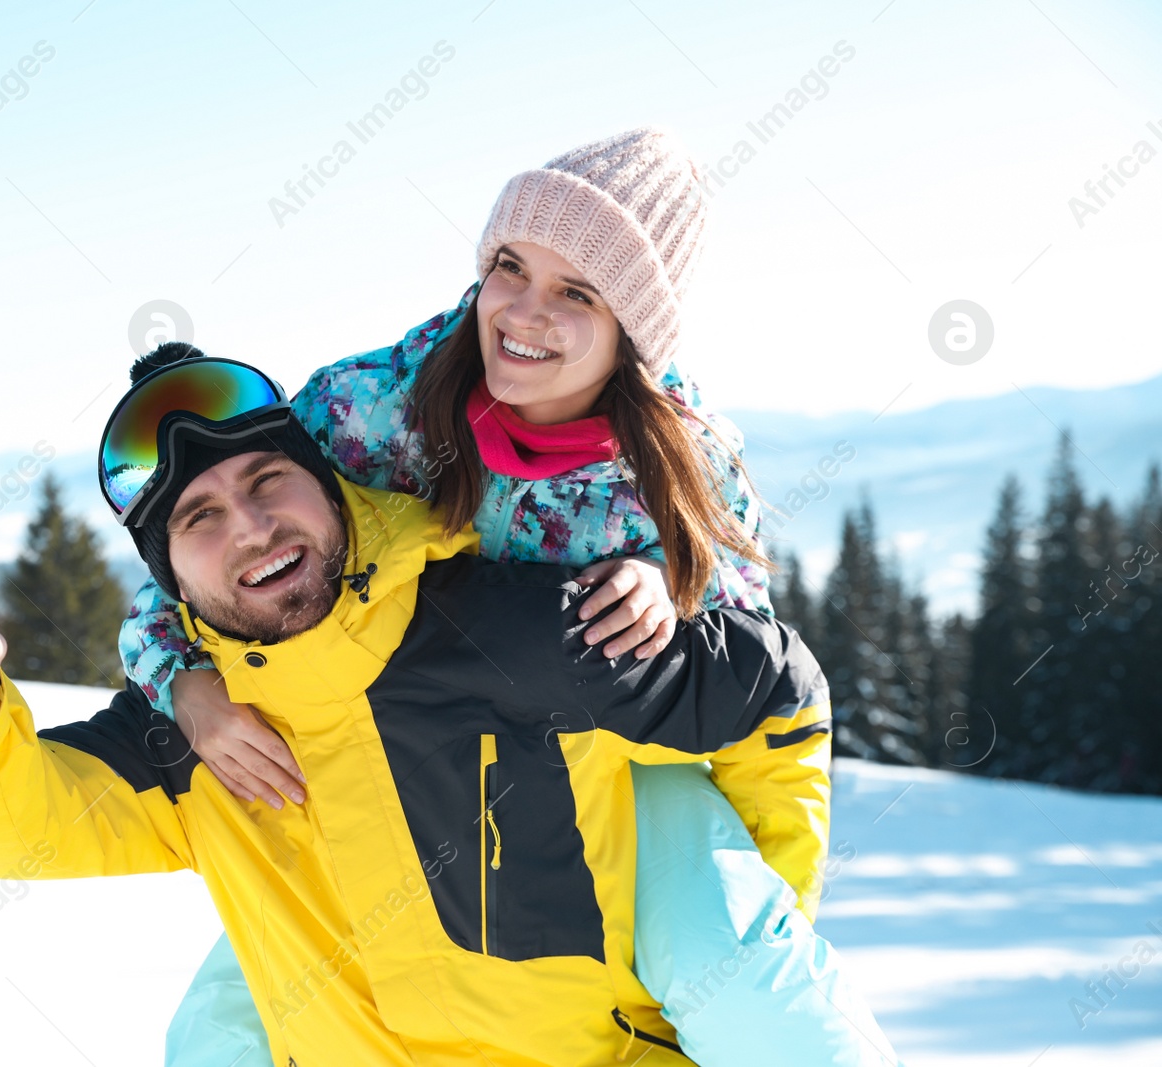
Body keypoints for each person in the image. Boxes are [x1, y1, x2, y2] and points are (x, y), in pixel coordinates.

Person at [0, 349, 900, 1064]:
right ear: (165, 571)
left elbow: (773, 706)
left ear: (328, 480)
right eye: (201, 517)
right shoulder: (191, 743)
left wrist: (742, 909)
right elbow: (8, 822)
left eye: (270, 479)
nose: (253, 526)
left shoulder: (520, 628)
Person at [120, 128, 853, 1065]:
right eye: (511, 266)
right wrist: (185, 686)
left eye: (576, 291)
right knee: (226, 1024)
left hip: (618, 771)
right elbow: (200, 554)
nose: (524, 311)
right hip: (398, 764)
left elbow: (749, 656)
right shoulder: (373, 411)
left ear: (635, 329)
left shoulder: (681, 460)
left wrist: (667, 591)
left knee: (744, 984)